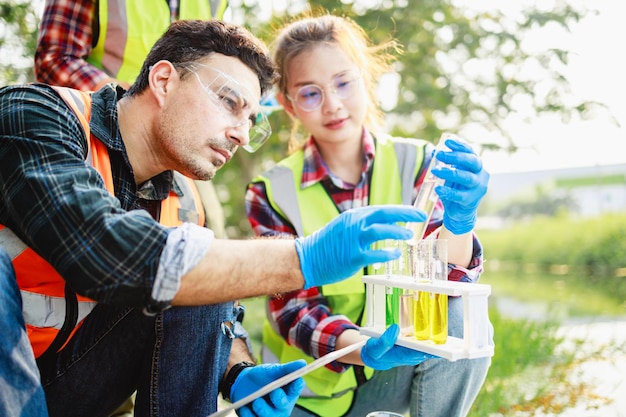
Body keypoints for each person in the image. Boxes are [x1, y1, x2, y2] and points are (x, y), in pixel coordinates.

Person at [0, 19, 428, 417]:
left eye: (250, 120)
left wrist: (237, 371)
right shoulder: (37, 115)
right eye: (229, 102)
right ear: (164, 80)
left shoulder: (185, 201)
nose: (242, 134)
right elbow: (99, 247)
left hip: (66, 382)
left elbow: (213, 298)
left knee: (204, 266)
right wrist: (303, 259)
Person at [245, 14, 492, 417]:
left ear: (366, 78)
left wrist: (459, 224)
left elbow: (446, 287)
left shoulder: (419, 164)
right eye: (310, 93)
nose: (333, 105)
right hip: (307, 391)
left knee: (464, 320)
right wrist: (359, 347)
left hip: (391, 373)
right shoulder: (271, 192)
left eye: (344, 82)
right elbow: (294, 312)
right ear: (289, 105)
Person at [35, 0, 229, 239]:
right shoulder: (29, 111)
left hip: (182, 135)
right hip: (98, 127)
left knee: (210, 230)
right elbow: (55, 59)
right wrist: (133, 100)